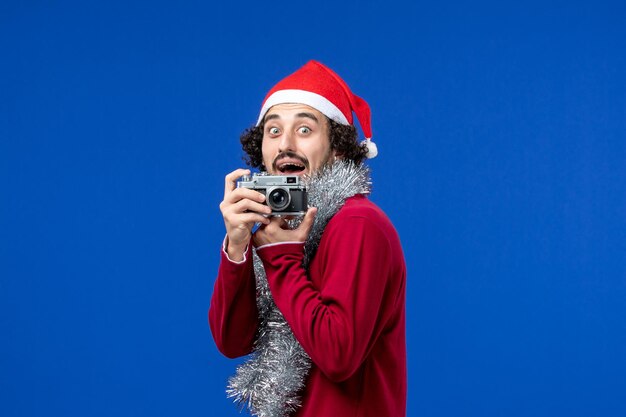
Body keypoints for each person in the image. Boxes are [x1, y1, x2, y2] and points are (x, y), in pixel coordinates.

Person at [209, 60, 407, 417]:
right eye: (273, 131)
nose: (285, 144)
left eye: (304, 129)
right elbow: (232, 341)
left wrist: (282, 260)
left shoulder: (359, 223)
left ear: (339, 148)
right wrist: (237, 247)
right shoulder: (277, 229)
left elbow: (339, 355)